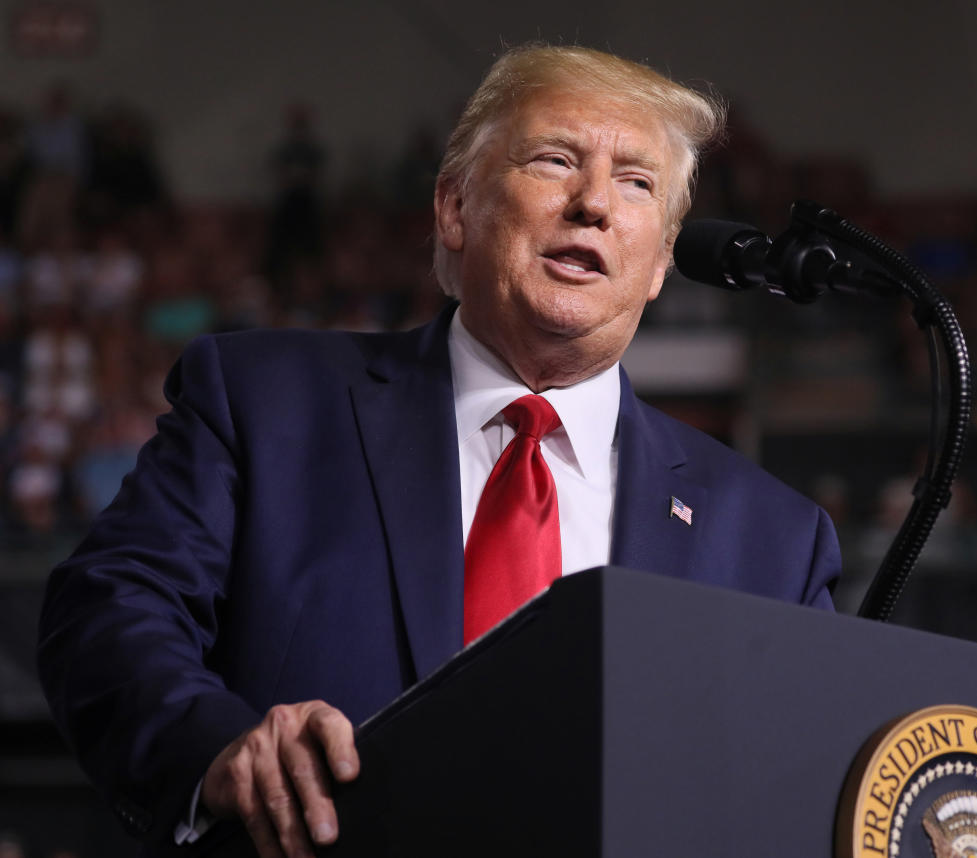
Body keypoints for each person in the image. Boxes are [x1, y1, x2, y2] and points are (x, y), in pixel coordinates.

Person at [37, 44, 841, 858]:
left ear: (661, 262)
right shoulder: (265, 405)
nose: (595, 201)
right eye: (556, 159)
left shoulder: (773, 540)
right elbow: (109, 611)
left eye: (637, 182)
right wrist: (218, 748)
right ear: (455, 207)